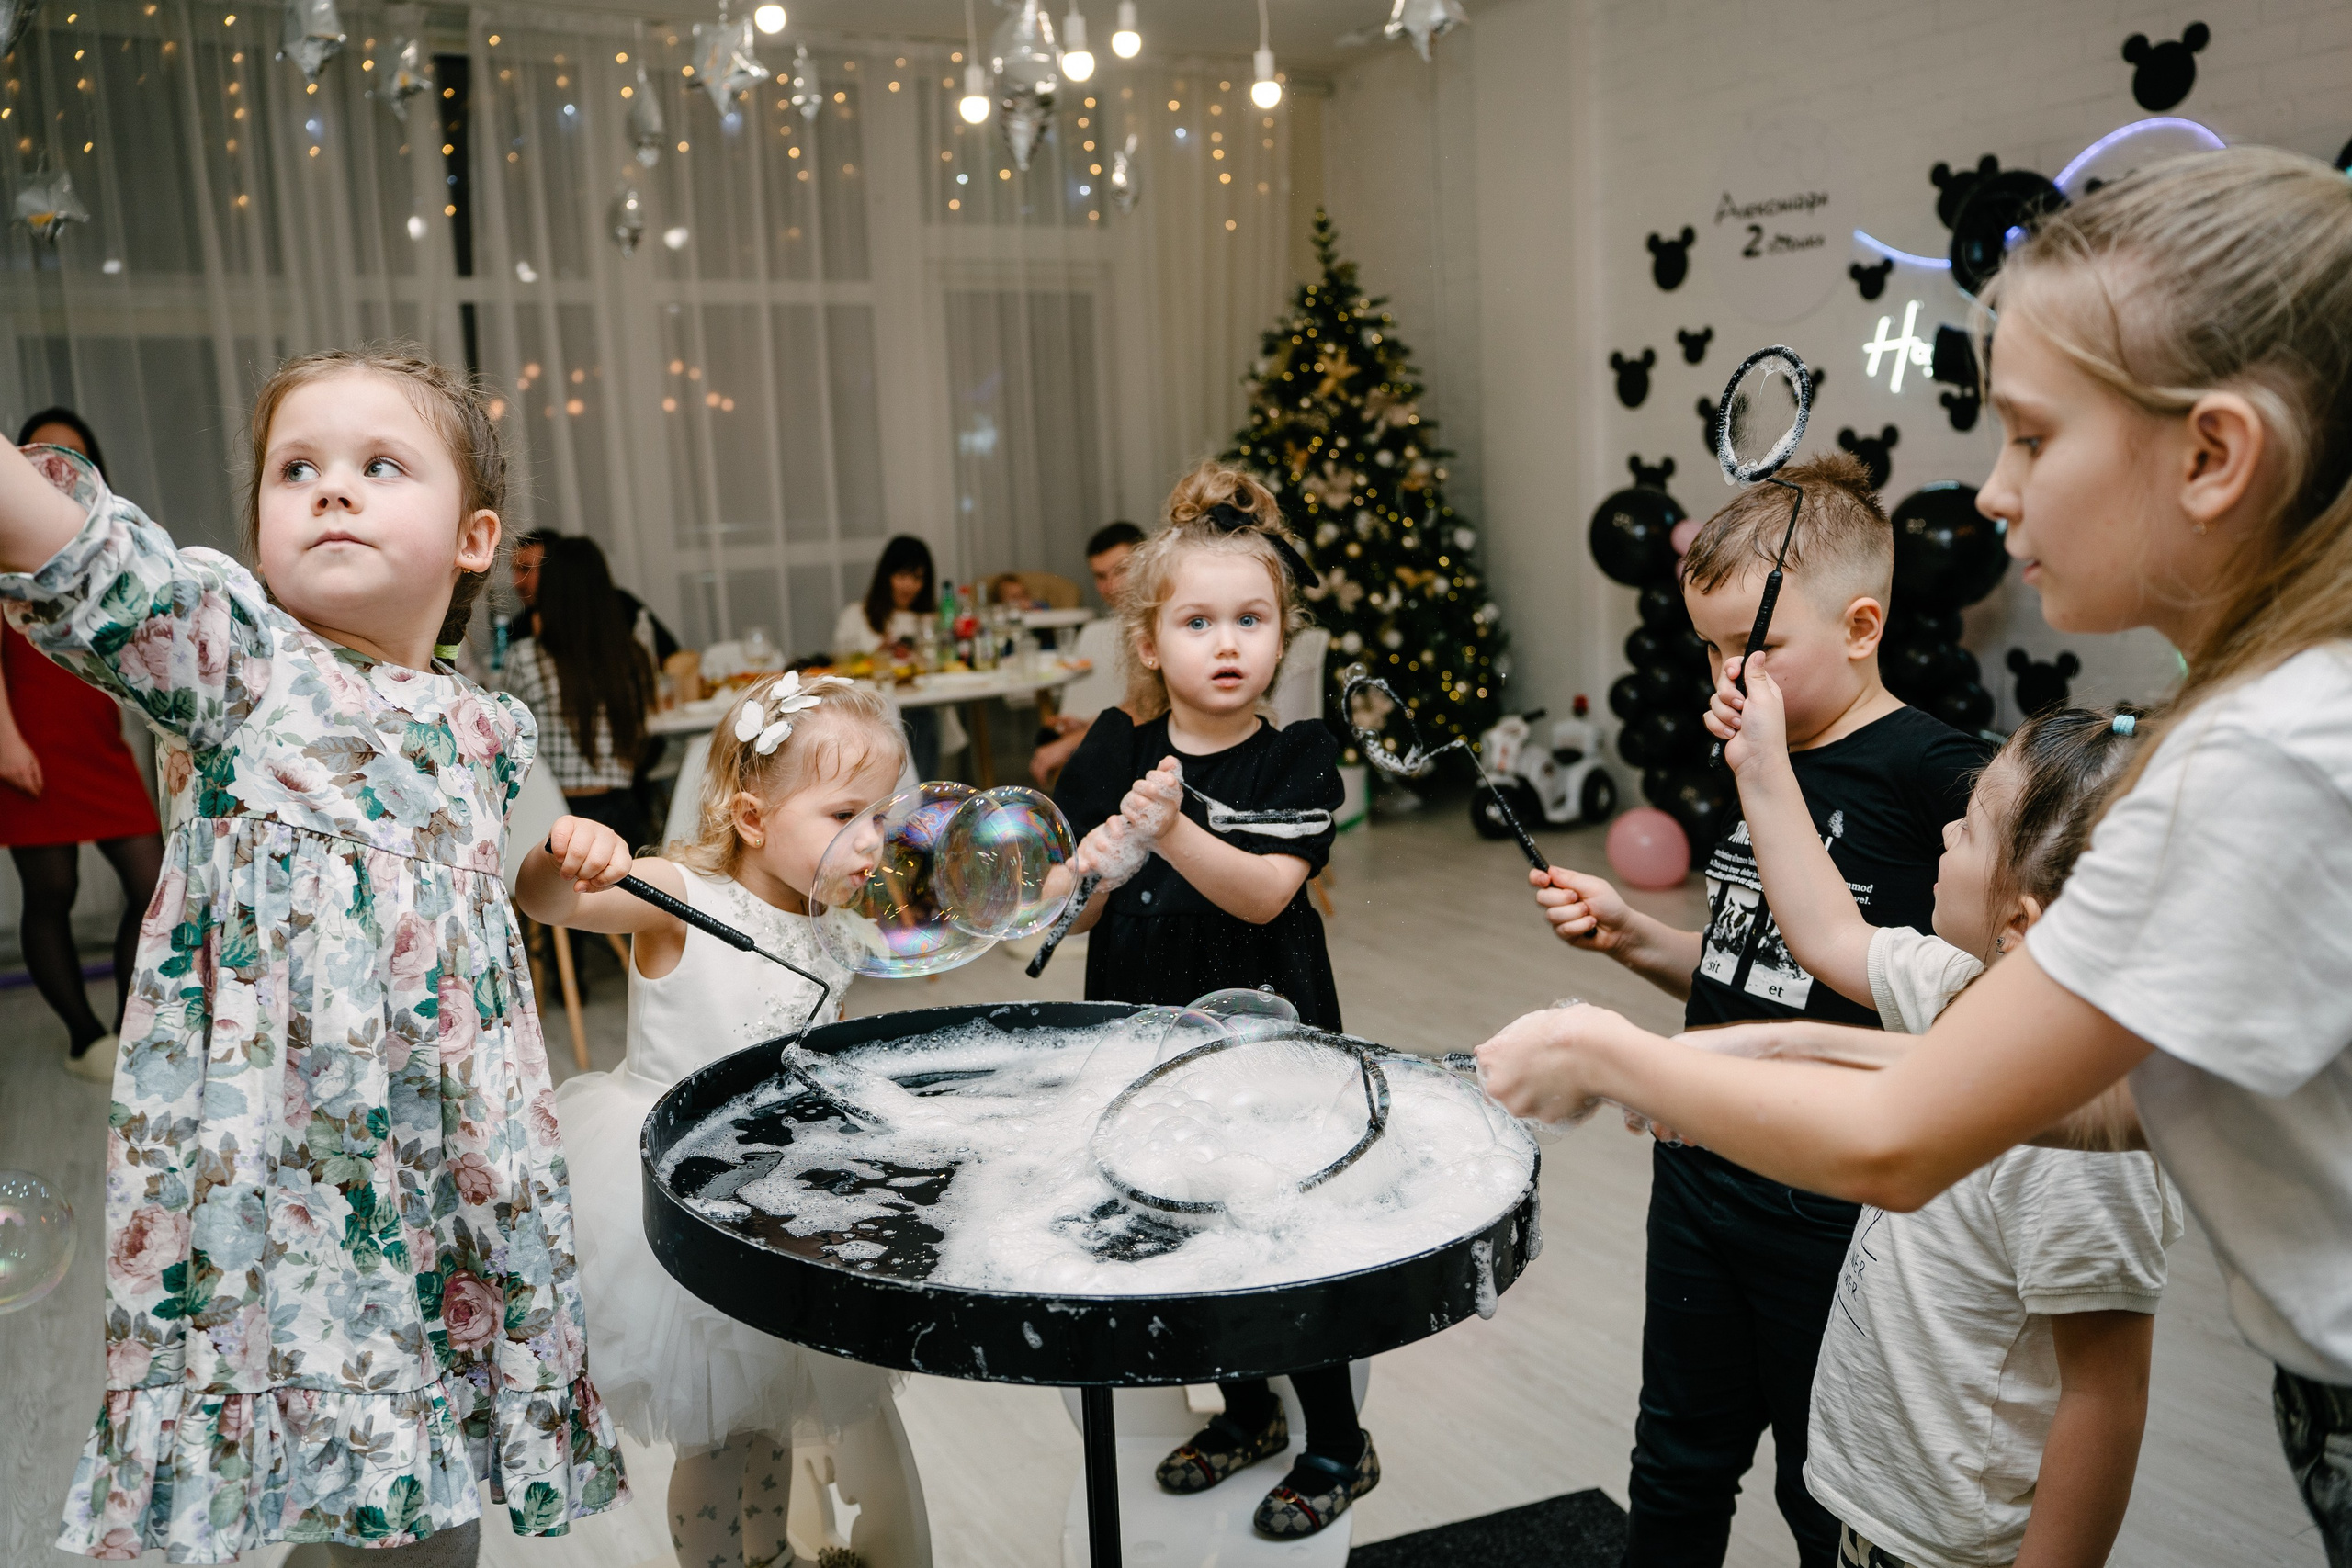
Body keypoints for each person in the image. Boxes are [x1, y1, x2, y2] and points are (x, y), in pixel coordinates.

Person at [1470, 147, 2352, 1561]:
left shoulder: (2260, 760)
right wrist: (1728, 1053)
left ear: (2212, 455)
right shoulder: (2275, 721)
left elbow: (1908, 1137)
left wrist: (1608, 1054)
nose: (1992, 496)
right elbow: (2102, 1097)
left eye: (2033, 437)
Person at [0, 344, 625, 1564]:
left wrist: (580, 858)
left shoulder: (484, 725)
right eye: (297, 469)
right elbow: (78, 550)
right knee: (319, 1477)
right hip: (292, 1188)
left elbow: (521, 883)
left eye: (378, 464)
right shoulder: (240, 665)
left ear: (474, 537)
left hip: (449, 1177)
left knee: (430, 1490)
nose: (331, 488)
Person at [1528, 452, 1988, 1568]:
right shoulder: (1760, 756)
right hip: (1698, 1170)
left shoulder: (1934, 774)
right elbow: (1754, 971)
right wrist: (1638, 940)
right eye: (1713, 650)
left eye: (1757, 645)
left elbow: (1938, 992)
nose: (1729, 676)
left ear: (1864, 626)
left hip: (1828, 1205)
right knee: (1675, 1457)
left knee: (1819, 1481)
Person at [1702, 671, 2179, 1568]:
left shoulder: (2085, 1151)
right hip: (1872, 1512)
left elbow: (2105, 1399)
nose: (1947, 830)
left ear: (2020, 924)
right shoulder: (1962, 991)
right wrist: (1762, 763)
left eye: (1971, 827)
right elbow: (1827, 933)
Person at [520, 671, 910, 1568]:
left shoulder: (830, 927)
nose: (870, 843)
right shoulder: (677, 897)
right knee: (714, 1434)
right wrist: (560, 851)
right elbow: (550, 903)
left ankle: (768, 1557)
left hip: (784, 1198)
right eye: (844, 814)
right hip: (685, 1197)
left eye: (880, 817)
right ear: (750, 818)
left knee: (770, 1410)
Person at [1056, 464, 1363, 1540]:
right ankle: (1245, 1411)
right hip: (1141, 1030)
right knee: (1182, 1217)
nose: (1225, 642)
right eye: (1196, 621)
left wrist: (1169, 830)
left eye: (1250, 619)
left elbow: (1268, 889)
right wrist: (1090, 867)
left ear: (1282, 636)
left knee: (1276, 1223)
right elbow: (1067, 917)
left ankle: (1336, 1437)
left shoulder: (1298, 758)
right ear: (1149, 643)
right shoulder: (1114, 749)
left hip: (1263, 1036)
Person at [0, 407, 164, 1080]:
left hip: (96, 738)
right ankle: (82, 1036)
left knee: (152, 882)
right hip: (26, 735)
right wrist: (6, 742)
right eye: (45, 455)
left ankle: (130, 1028)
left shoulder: (105, 547)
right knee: (52, 891)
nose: (59, 470)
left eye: (75, 457)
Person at [503, 535, 658, 852]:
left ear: (551, 588)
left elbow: (507, 740)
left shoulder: (524, 657)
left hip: (558, 818)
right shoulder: (632, 655)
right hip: (627, 814)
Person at [1033, 520, 1145, 786]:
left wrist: (1072, 742)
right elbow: (1139, 707)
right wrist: (1087, 726)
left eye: (1121, 571)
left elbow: (1153, 713)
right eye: (1100, 577)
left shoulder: (1164, 627)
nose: (1112, 587)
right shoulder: (1110, 630)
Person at [836, 534, 958, 777]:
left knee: (922, 717)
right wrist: (877, 652)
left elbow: (945, 665)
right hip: (867, 710)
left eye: (918, 578)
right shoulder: (856, 615)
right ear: (886, 576)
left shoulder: (929, 621)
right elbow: (840, 666)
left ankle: (918, 803)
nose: (909, 586)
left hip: (919, 706)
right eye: (902, 575)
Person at [506, 525, 678, 667]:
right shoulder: (519, 627)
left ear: (555, 569)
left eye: (525, 569)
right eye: (514, 570)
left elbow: (670, 655)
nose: (517, 582)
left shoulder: (616, 604)